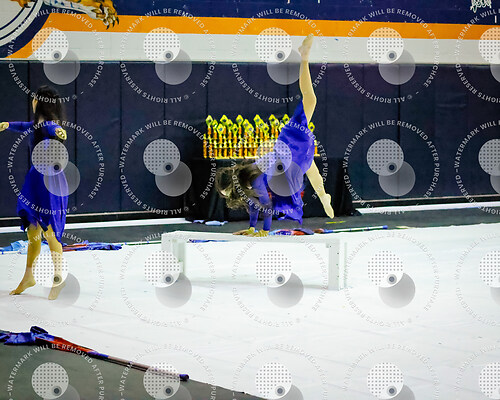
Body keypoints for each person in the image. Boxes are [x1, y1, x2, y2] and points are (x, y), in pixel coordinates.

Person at [216, 34, 334, 237]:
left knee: (310, 100)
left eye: (226, 193)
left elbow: (266, 205)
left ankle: (304, 56)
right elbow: (256, 206)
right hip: (290, 155)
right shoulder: (249, 182)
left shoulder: (253, 179)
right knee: (312, 172)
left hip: (290, 150)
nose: (226, 197)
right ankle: (324, 197)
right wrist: (252, 228)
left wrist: (264, 231)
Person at [0, 86, 69, 300]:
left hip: (49, 180)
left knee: (50, 231)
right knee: (32, 231)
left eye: (34, 99)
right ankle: (28, 277)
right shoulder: (35, 125)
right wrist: (7, 125)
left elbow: (55, 130)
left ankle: (59, 278)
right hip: (35, 179)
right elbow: (22, 126)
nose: (32, 102)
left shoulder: (48, 125)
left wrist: (60, 132)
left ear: (39, 103)